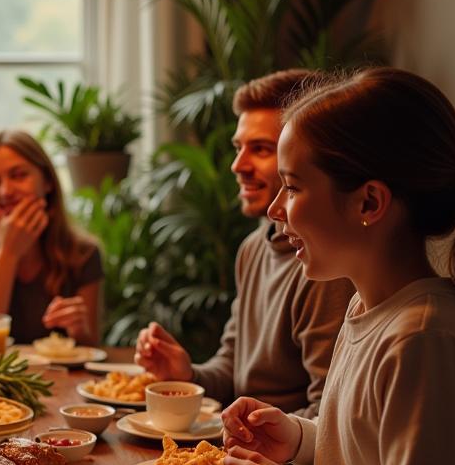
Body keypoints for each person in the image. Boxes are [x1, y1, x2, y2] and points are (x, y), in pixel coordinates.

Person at [220, 67, 455, 465]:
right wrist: (299, 437)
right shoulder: (370, 310)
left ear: (368, 201)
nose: (275, 210)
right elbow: (374, 455)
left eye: (292, 186)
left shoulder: (426, 339)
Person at [134, 70, 355, 416]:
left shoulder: (327, 267)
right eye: (239, 148)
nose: (238, 165)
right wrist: (186, 374)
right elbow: (232, 371)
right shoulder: (253, 247)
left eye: (261, 149)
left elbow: (327, 415)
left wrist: (249, 434)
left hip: (282, 464)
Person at [0, 129, 102, 345]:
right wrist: (7, 253)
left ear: (47, 182)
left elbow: (91, 347)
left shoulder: (84, 253)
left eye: (19, 175)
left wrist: (79, 329)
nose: (5, 191)